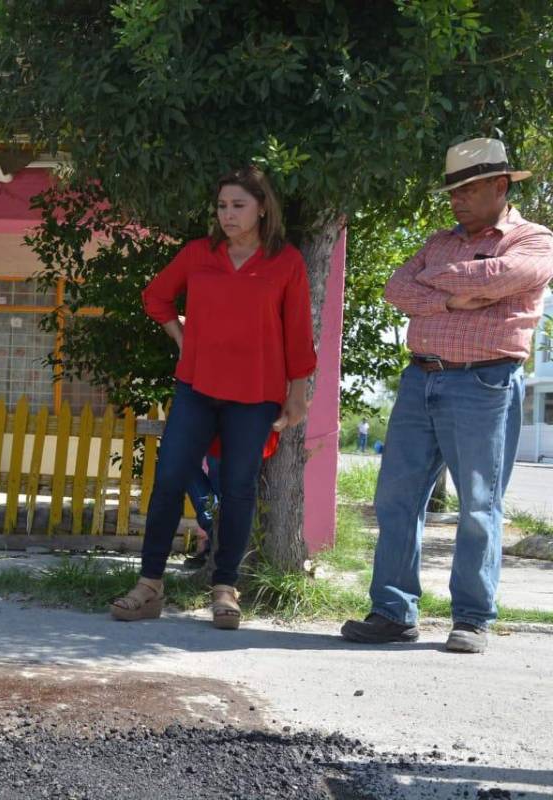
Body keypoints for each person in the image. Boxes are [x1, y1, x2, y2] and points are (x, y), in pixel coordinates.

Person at [341, 138, 553, 654]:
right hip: (421, 379)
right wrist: (463, 297)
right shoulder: (439, 241)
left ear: (501, 186)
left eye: (469, 188)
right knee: (395, 499)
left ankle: (473, 618)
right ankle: (393, 613)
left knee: (479, 505)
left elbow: (507, 276)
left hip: (486, 382)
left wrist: (436, 291)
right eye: (453, 190)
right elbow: (397, 288)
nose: (456, 200)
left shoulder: (534, 238)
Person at [111, 165, 316, 629]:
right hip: (197, 388)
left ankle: (225, 589)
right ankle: (149, 586)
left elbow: (299, 334)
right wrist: (185, 341)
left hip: (256, 393)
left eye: (238, 205)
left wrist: (297, 393)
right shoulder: (197, 255)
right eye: (222, 206)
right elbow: (156, 299)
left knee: (239, 489)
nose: (228, 214)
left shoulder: (285, 262)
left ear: (263, 208)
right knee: (169, 480)